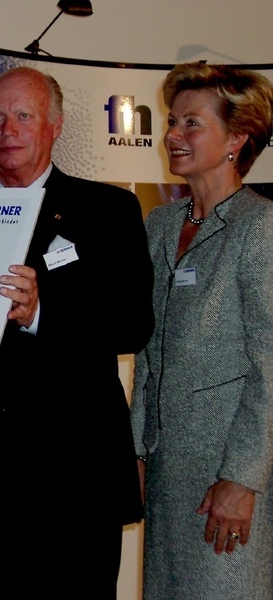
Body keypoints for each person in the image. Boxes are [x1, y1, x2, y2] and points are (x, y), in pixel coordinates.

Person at [0, 67, 155, 598]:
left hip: (75, 484)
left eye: (24, 116)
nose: (8, 130)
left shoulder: (109, 210)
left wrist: (42, 313)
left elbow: (133, 321)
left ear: (55, 126)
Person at [131, 62, 273, 599]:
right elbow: (149, 352)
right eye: (172, 121)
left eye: (191, 123)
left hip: (228, 474)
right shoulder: (161, 224)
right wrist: (138, 452)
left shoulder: (260, 227)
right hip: (168, 473)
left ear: (237, 138)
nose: (172, 134)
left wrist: (242, 478)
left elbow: (271, 367)